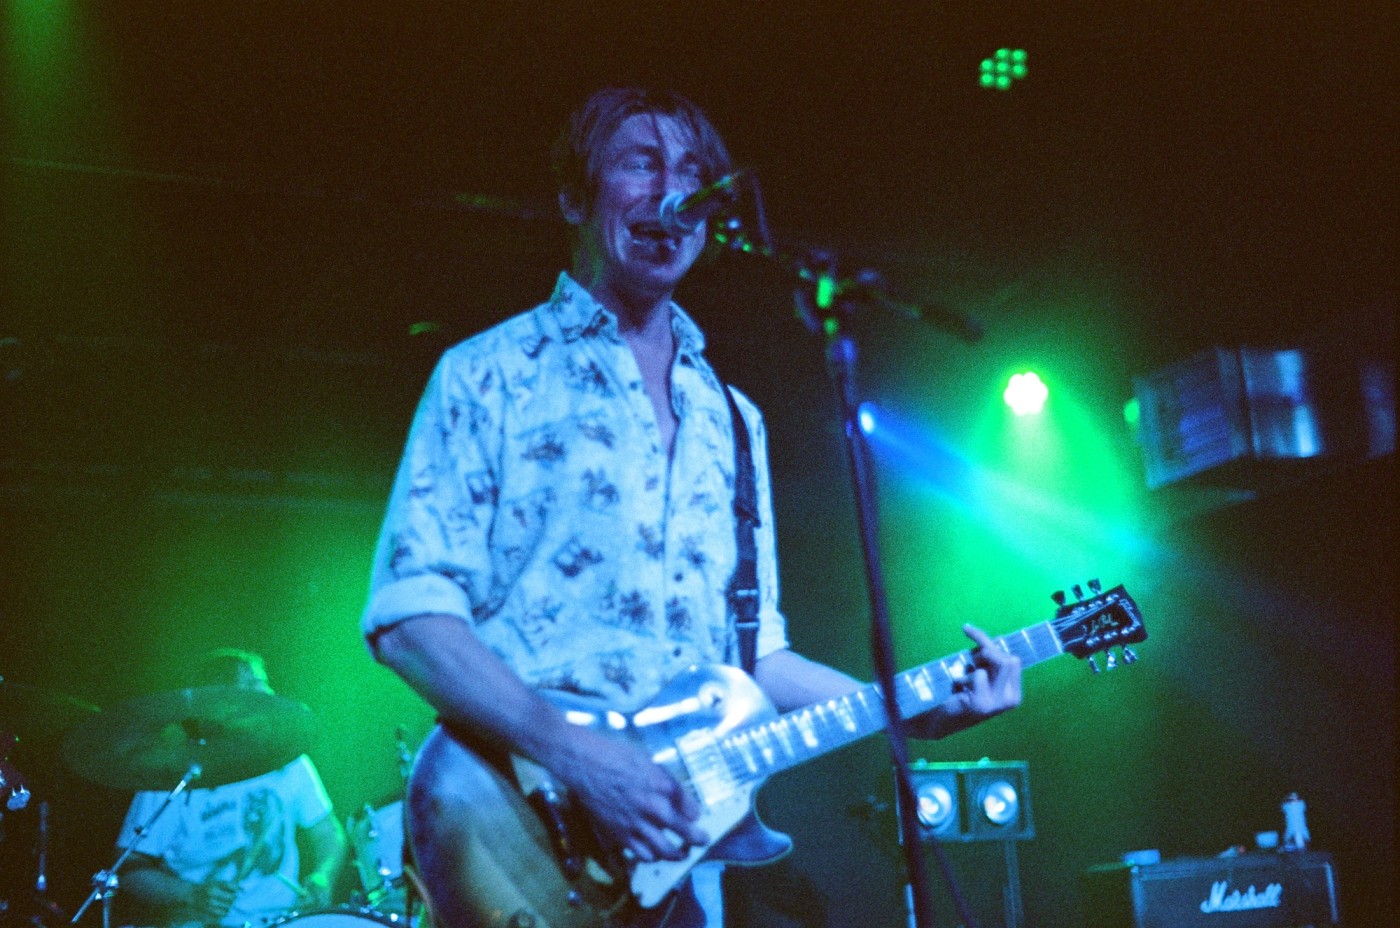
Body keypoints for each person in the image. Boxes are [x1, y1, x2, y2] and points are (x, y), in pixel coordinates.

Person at [361, 86, 1022, 926]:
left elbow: (759, 657)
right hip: (518, 833)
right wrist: (581, 757)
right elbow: (410, 617)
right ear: (575, 195)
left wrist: (913, 711)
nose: (671, 191)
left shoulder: (732, 419)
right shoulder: (489, 373)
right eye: (639, 163)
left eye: (692, 174)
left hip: (672, 872)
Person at [113, 650, 347, 928]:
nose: (268, 692)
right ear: (221, 701)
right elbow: (128, 865)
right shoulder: (175, 774)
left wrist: (323, 876)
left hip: (282, 919)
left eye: (264, 682)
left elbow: (326, 831)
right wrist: (190, 894)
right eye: (253, 684)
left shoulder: (288, 762)